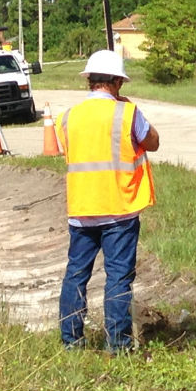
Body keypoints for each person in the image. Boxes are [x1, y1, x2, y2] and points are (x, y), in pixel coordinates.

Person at [55, 49, 160, 353]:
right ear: (117, 82)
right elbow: (152, 142)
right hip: (118, 209)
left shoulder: (68, 117)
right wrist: (131, 109)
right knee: (118, 278)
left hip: (81, 210)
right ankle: (119, 346)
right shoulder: (126, 113)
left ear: (89, 80)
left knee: (76, 274)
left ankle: (71, 343)